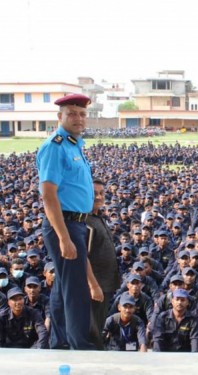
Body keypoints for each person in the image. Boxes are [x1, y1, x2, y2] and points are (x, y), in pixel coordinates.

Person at [36, 93, 101, 350]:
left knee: (63, 287)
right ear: (59, 117)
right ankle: (79, 346)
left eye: (82, 114)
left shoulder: (74, 144)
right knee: (75, 289)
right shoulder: (55, 146)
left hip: (74, 223)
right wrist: (63, 237)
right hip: (63, 223)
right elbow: (48, 195)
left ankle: (60, 341)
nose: (78, 118)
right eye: (72, 113)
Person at [86, 179, 120, 350]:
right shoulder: (84, 220)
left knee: (97, 326)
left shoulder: (97, 217)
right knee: (91, 331)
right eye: (94, 193)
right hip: (95, 286)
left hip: (104, 285)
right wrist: (93, 285)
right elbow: (82, 257)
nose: (99, 197)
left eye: (101, 193)